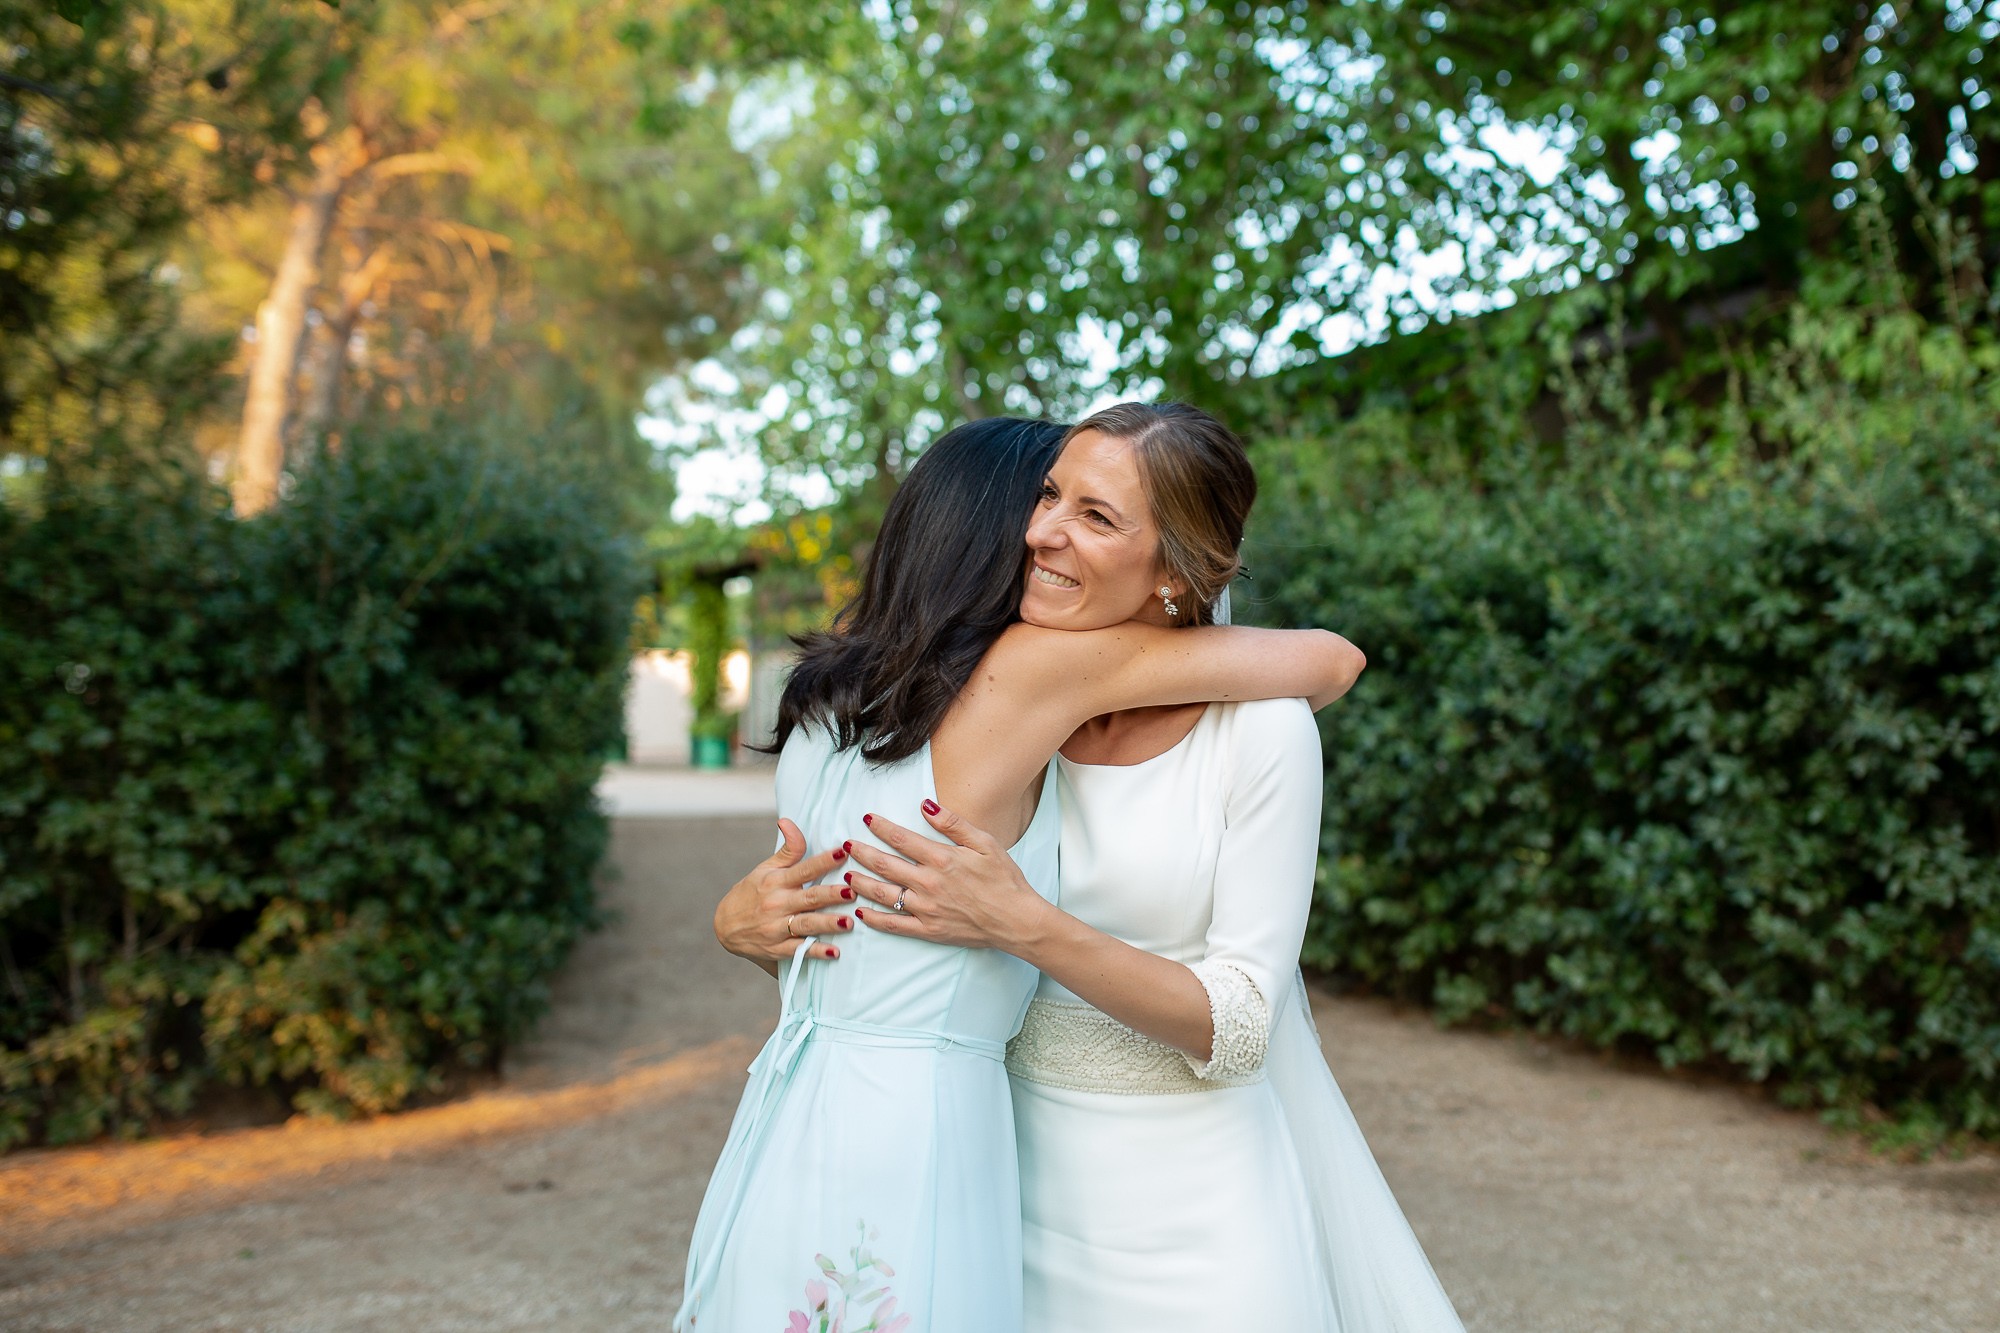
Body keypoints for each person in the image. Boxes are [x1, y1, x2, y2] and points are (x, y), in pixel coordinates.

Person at [721, 402, 1463, 1331]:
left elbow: (1244, 1020)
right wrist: (748, 923)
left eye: (1095, 515)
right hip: (1006, 1172)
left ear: (1175, 571)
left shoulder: (1242, 725)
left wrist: (1024, 921)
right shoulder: (1004, 713)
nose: (1041, 533)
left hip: (1187, 1202)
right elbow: (867, 947)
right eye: (1042, 497)